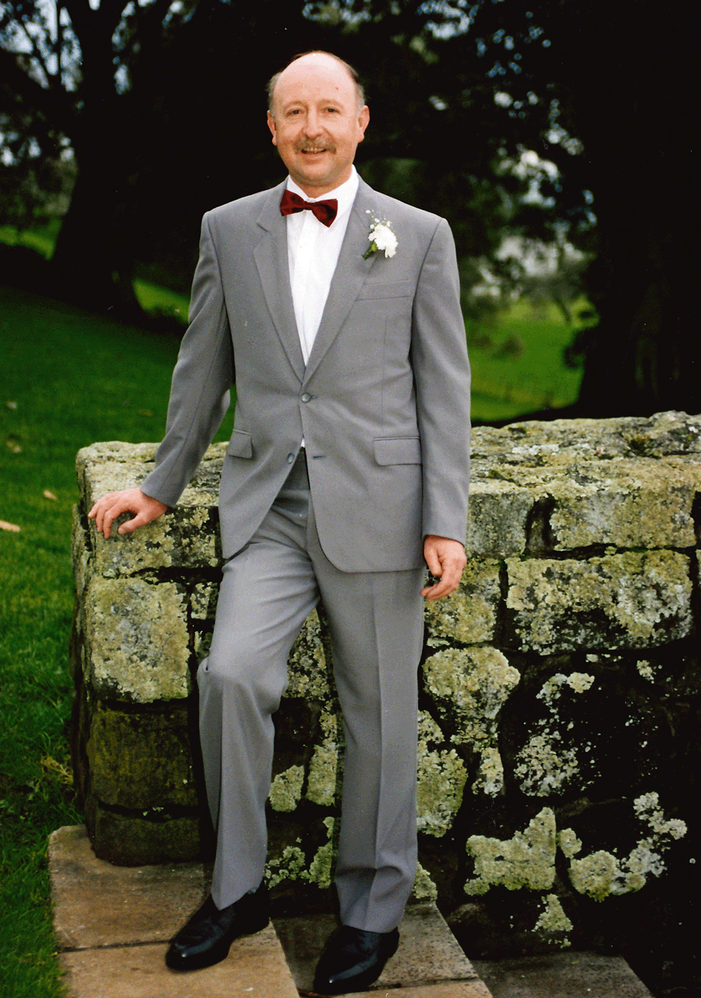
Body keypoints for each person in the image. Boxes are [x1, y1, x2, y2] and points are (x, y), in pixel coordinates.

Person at [89, 50, 470, 995]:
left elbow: (443, 390)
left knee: (379, 714)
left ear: (360, 123)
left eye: (328, 110)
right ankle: (235, 891)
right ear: (270, 128)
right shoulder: (228, 229)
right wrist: (162, 484)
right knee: (230, 675)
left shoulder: (419, 236)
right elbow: (201, 368)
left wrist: (444, 518)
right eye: (293, 111)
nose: (311, 127)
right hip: (266, 505)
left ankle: (371, 912)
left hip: (379, 511)